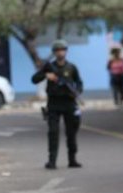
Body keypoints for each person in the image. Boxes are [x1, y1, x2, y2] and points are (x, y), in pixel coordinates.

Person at [32, 39, 84, 169]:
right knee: (53, 133)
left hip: (69, 103)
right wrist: (45, 75)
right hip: (54, 103)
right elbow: (34, 79)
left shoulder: (72, 67)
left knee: (71, 132)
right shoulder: (49, 67)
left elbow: (79, 83)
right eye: (58, 50)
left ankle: (72, 159)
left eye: (63, 50)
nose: (60, 52)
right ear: (54, 52)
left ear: (66, 51)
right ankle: (52, 161)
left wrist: (76, 92)